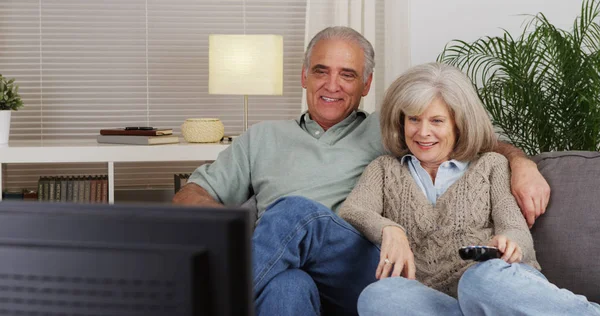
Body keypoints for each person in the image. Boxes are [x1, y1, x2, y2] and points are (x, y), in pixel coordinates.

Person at [172, 26, 550, 315]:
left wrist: (521, 162)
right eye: (321, 71)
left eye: (347, 75)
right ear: (304, 76)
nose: (331, 85)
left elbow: (468, 138)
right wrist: (251, 240)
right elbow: (190, 195)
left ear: (367, 83)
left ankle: (210, 304)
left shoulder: (389, 131)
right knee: (286, 285)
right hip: (285, 262)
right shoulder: (262, 138)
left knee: (294, 212)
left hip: (369, 267)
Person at [338, 62, 600, 316]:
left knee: (479, 280)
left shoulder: (490, 165)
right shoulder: (384, 169)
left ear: (458, 124)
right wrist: (389, 229)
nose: (423, 132)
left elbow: (516, 229)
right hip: (431, 300)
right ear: (401, 121)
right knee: (379, 296)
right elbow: (351, 211)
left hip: (495, 288)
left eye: (437, 121)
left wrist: (509, 244)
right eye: (414, 119)